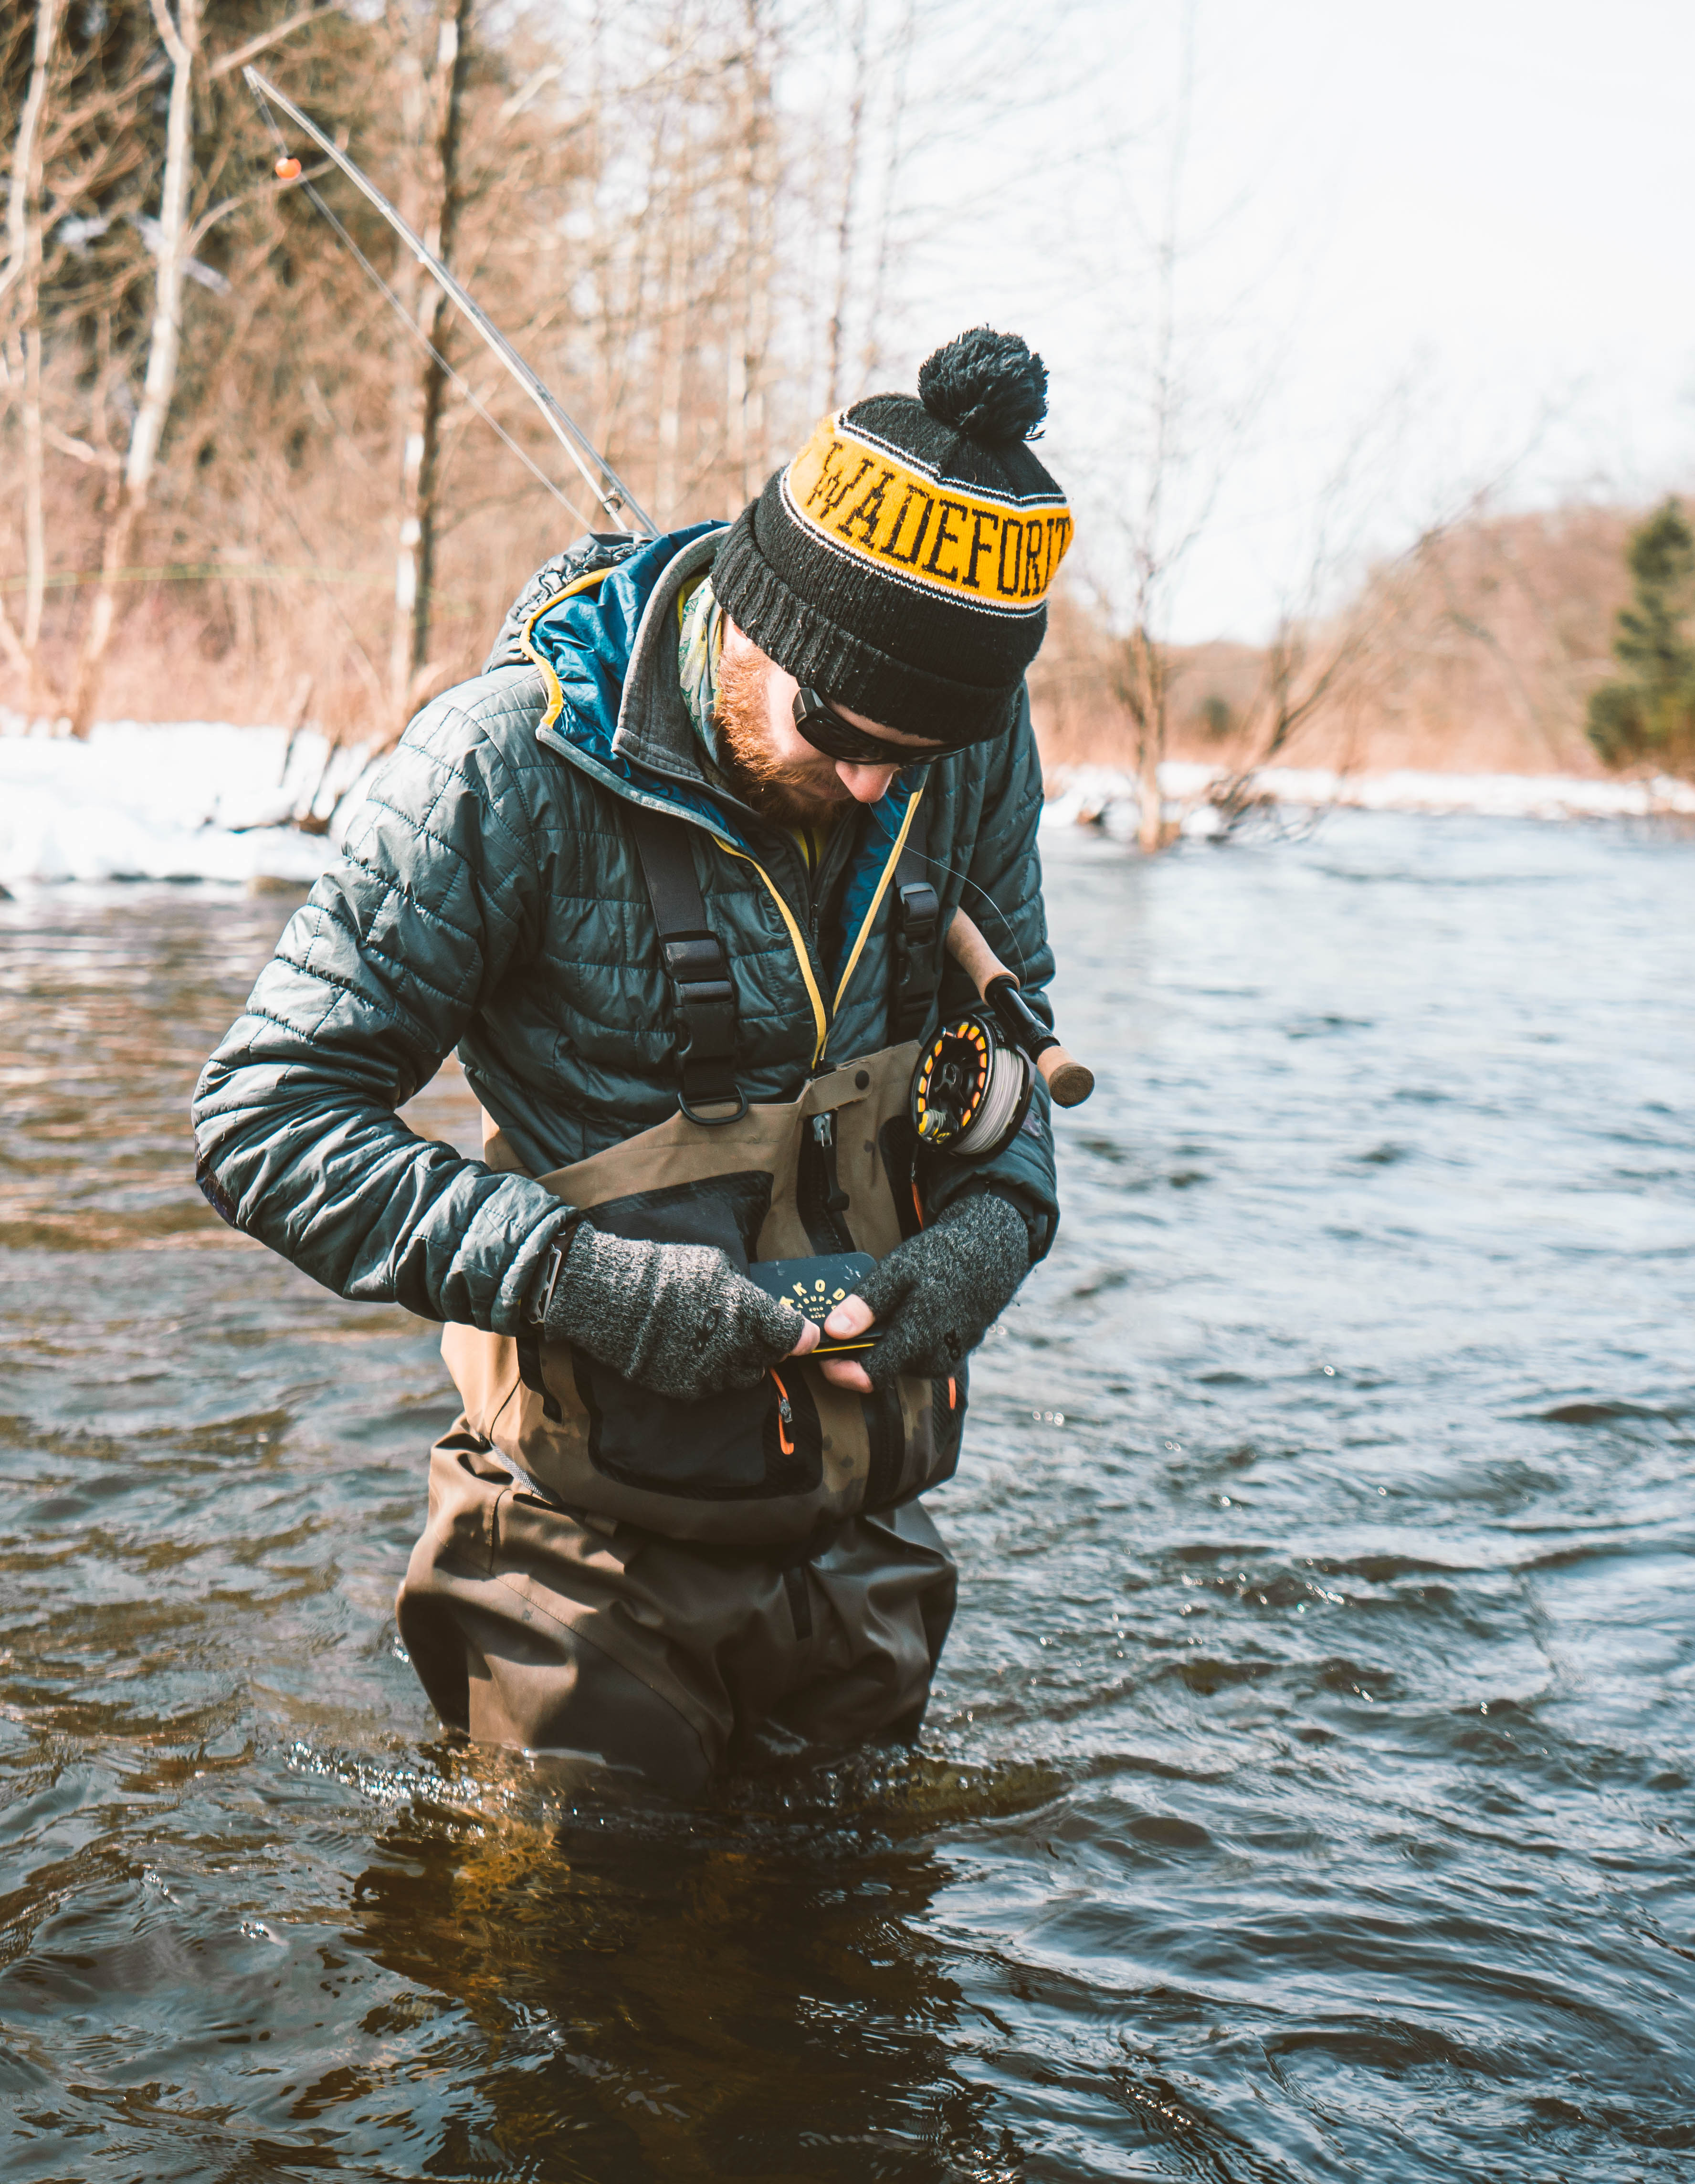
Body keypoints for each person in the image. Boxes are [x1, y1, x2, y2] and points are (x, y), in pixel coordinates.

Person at [192, 326, 1073, 1794]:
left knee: (852, 1971)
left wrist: (999, 1223)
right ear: (756, 619)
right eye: (850, 729)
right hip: (575, 1554)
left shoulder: (961, 746)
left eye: (920, 752)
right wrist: (581, 1281)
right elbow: (263, 1121)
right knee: (579, 1986)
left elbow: (1014, 1035)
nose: (877, 781)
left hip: (867, 1530)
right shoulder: (498, 768)